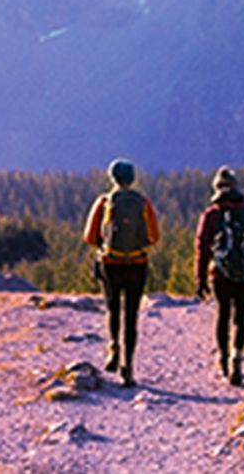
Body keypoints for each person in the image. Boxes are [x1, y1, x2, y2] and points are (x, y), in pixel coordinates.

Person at [83, 158, 160, 387]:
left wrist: (103, 244)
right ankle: (128, 366)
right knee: (132, 315)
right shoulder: (143, 203)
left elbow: (89, 236)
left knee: (113, 307)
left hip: (111, 262)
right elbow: (154, 237)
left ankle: (113, 345)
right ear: (132, 178)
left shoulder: (104, 201)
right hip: (137, 263)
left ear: (112, 178)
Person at [194, 167, 244, 387]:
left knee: (223, 316)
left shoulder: (212, 214)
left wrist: (200, 279)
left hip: (220, 274)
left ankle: (224, 361)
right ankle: (237, 357)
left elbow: (202, 248)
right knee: (241, 318)